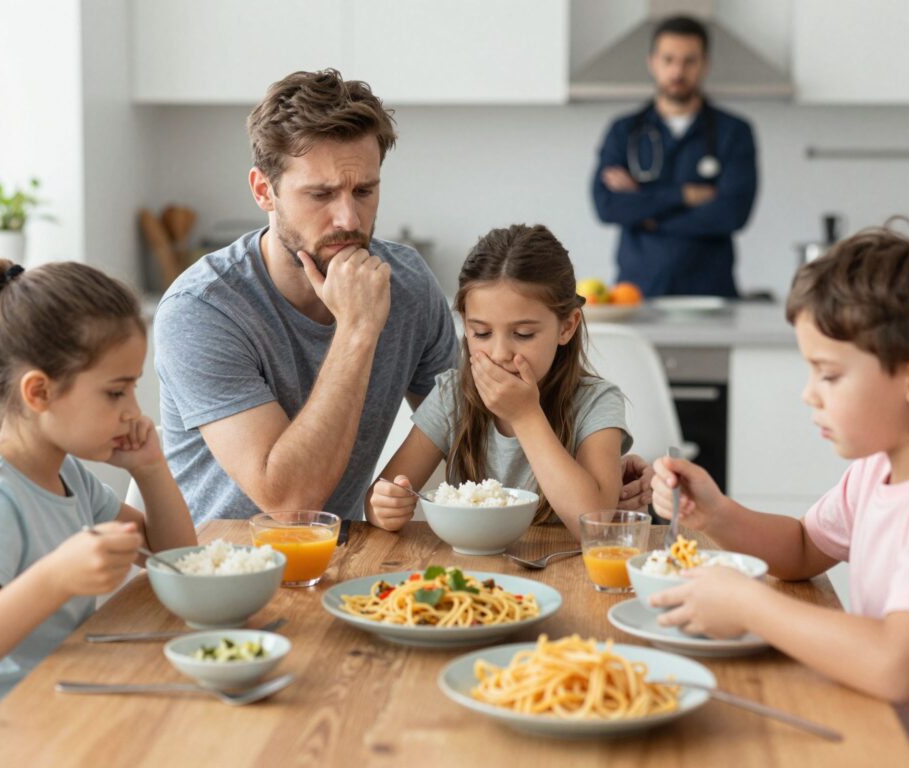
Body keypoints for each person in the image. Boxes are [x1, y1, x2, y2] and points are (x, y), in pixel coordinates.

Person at [155, 68, 654, 524]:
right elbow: (290, 505)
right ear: (264, 190)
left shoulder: (408, 283)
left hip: (347, 556)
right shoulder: (202, 311)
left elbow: (475, 421)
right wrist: (357, 328)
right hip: (225, 569)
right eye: (321, 194)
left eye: (364, 191)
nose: (349, 219)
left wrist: (596, 474)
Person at [649, 226, 909, 768]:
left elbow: (898, 664)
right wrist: (718, 514)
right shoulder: (880, 467)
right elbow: (802, 547)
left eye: (829, 374)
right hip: (886, 738)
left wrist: (748, 604)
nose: (808, 394)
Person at [0, 261, 196, 705]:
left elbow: (174, 558)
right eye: (115, 392)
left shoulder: (67, 474)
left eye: (133, 389)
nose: (134, 411)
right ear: (39, 393)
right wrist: (55, 578)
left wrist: (150, 469)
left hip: (69, 697)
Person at [367, 224, 632, 537]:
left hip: (562, 563)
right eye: (481, 333)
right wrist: (385, 506)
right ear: (465, 323)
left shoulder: (596, 402)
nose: (500, 353)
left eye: (523, 334)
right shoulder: (452, 395)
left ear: (567, 326)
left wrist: (526, 416)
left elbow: (596, 526)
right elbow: (377, 499)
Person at [592, 15, 757, 298]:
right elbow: (608, 206)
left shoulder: (733, 132)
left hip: (712, 296)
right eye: (668, 60)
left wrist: (647, 213)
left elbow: (732, 214)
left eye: (689, 61)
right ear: (652, 63)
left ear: (705, 65)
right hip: (637, 293)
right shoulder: (624, 131)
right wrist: (684, 195)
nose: (678, 71)